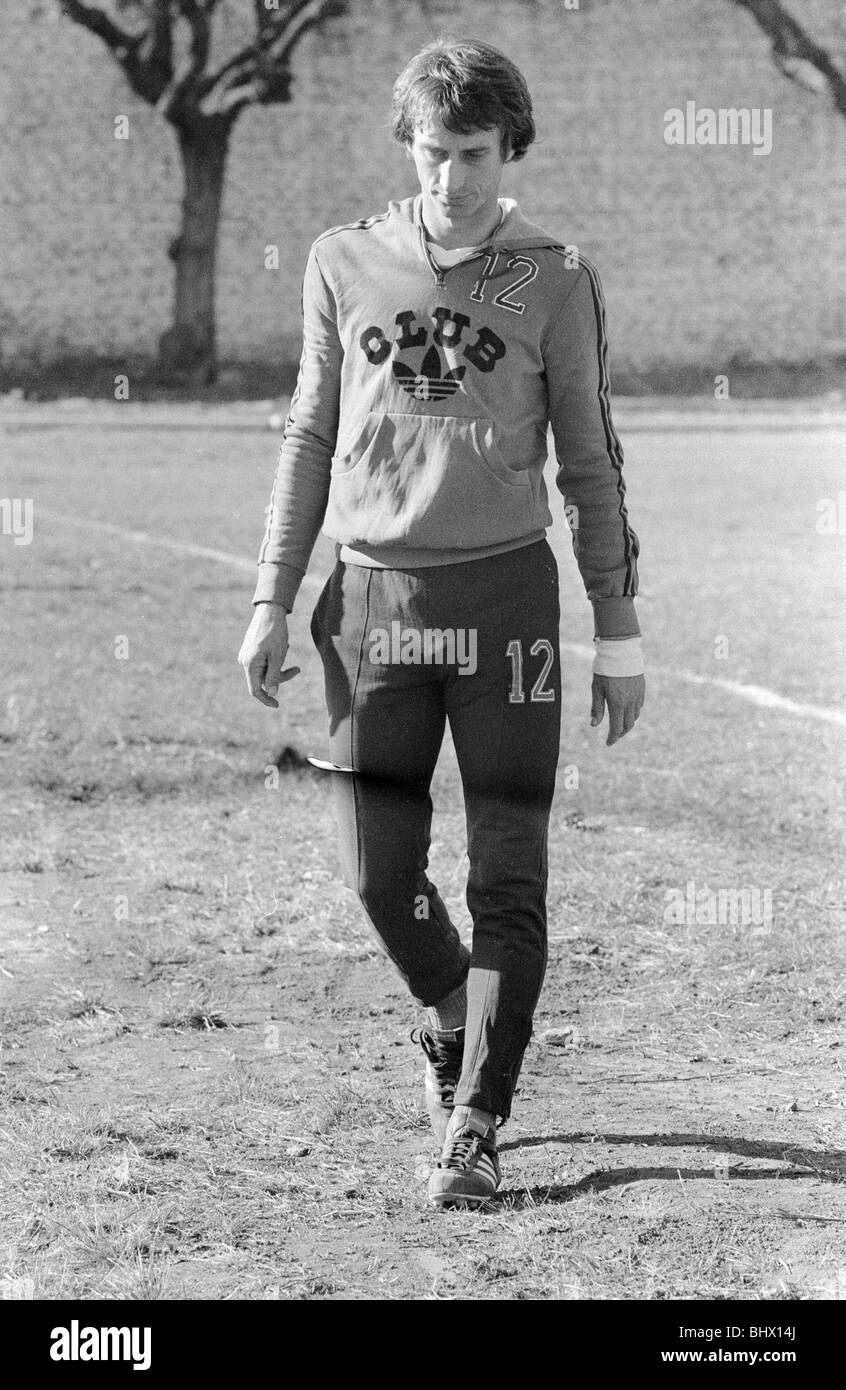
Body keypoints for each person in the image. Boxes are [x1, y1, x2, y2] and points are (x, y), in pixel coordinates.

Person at [238, 37, 644, 1210]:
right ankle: (455, 1016)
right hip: (369, 605)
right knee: (377, 870)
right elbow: (308, 437)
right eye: (433, 150)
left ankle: (477, 1121)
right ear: (407, 144)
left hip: (507, 604)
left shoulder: (555, 276)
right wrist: (272, 595)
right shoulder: (340, 261)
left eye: (473, 152)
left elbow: (593, 464)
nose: (452, 176)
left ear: (508, 148)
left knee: (508, 876)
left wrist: (617, 633)